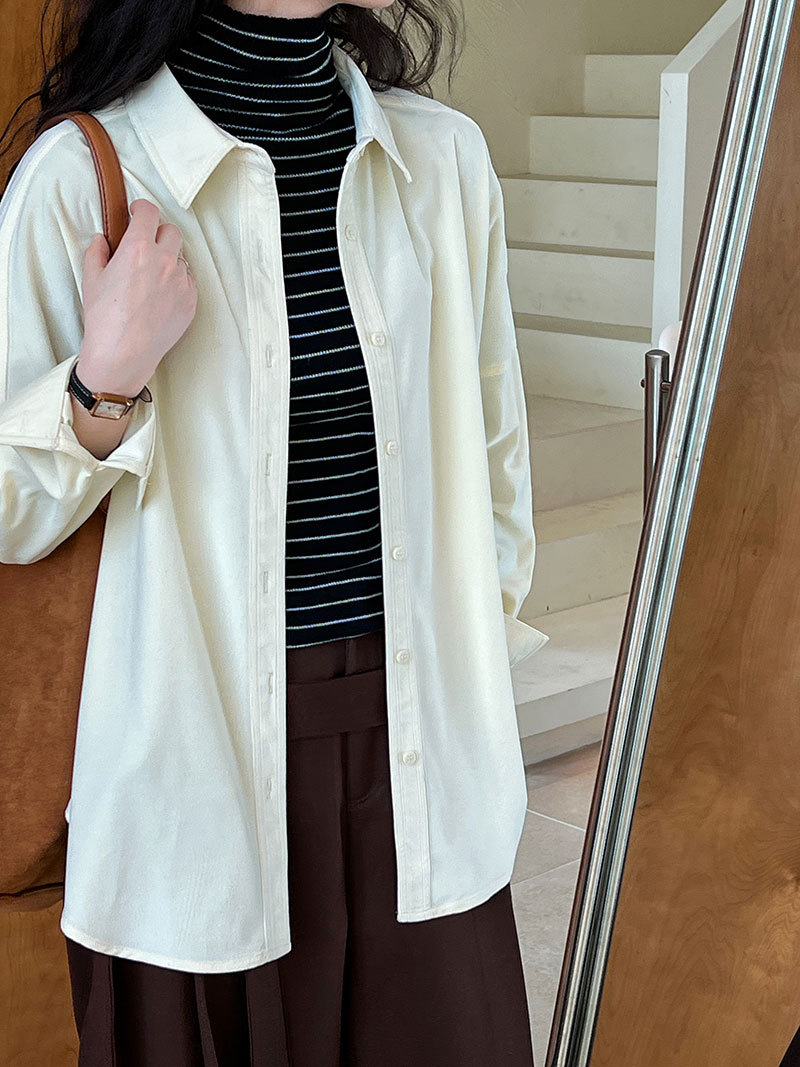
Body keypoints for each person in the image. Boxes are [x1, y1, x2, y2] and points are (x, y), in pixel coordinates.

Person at [0, 0, 549, 1062]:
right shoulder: (83, 179)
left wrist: (468, 685)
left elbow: (496, 469)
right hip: (186, 766)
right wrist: (102, 381)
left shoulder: (441, 162)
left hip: (418, 755)